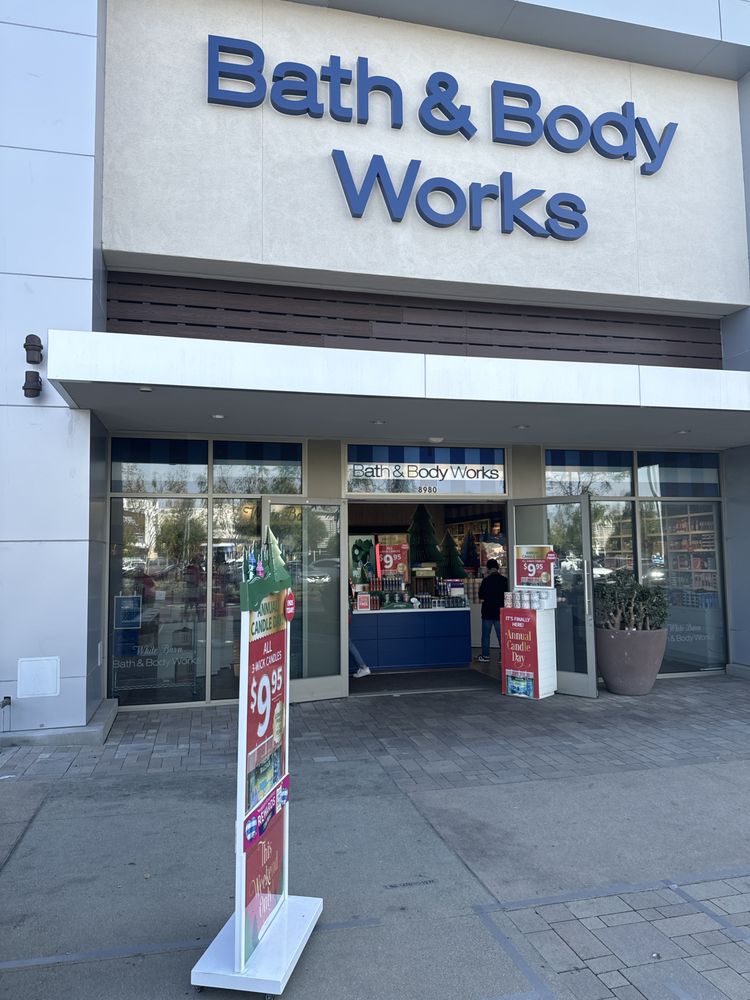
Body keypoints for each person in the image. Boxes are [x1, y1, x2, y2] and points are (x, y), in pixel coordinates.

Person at [477, 558, 508, 663]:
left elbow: (481, 596)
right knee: (501, 636)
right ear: (497, 568)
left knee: (486, 636)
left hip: (488, 611)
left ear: (488, 568)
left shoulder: (486, 581)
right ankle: (503, 657)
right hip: (500, 611)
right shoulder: (504, 580)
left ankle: (485, 656)